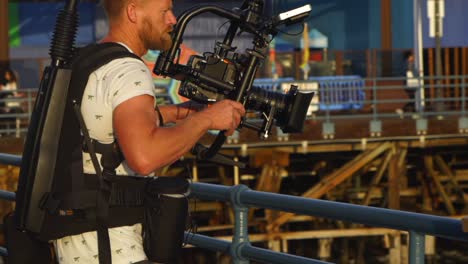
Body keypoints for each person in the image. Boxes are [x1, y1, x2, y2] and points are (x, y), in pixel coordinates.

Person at [53, 0, 246, 263]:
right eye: (164, 11)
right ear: (133, 12)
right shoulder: (129, 69)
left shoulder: (90, 60)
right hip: (112, 246)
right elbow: (144, 157)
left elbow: (101, 126)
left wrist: (176, 113)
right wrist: (207, 120)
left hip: (77, 242)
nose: (173, 20)